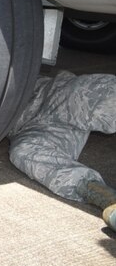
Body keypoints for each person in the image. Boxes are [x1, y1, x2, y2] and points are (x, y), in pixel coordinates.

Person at [8, 71, 116, 231]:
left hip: (50, 93)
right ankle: (104, 197)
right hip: (31, 126)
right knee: (23, 151)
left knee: (107, 95)